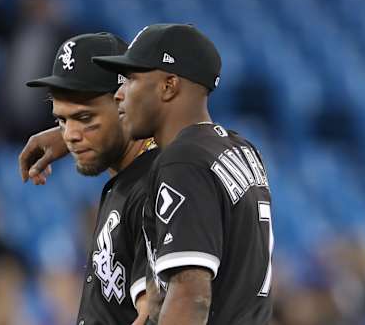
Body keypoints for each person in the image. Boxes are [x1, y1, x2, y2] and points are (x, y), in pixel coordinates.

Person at [93, 23, 274, 324]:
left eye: (132, 79)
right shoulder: (240, 149)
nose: (119, 94)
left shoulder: (182, 160)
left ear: (169, 86)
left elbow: (192, 295)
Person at [18, 32, 158, 325]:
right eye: (61, 119)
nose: (70, 135)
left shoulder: (155, 189)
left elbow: (157, 313)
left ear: (125, 103)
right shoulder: (130, 177)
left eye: (84, 118)